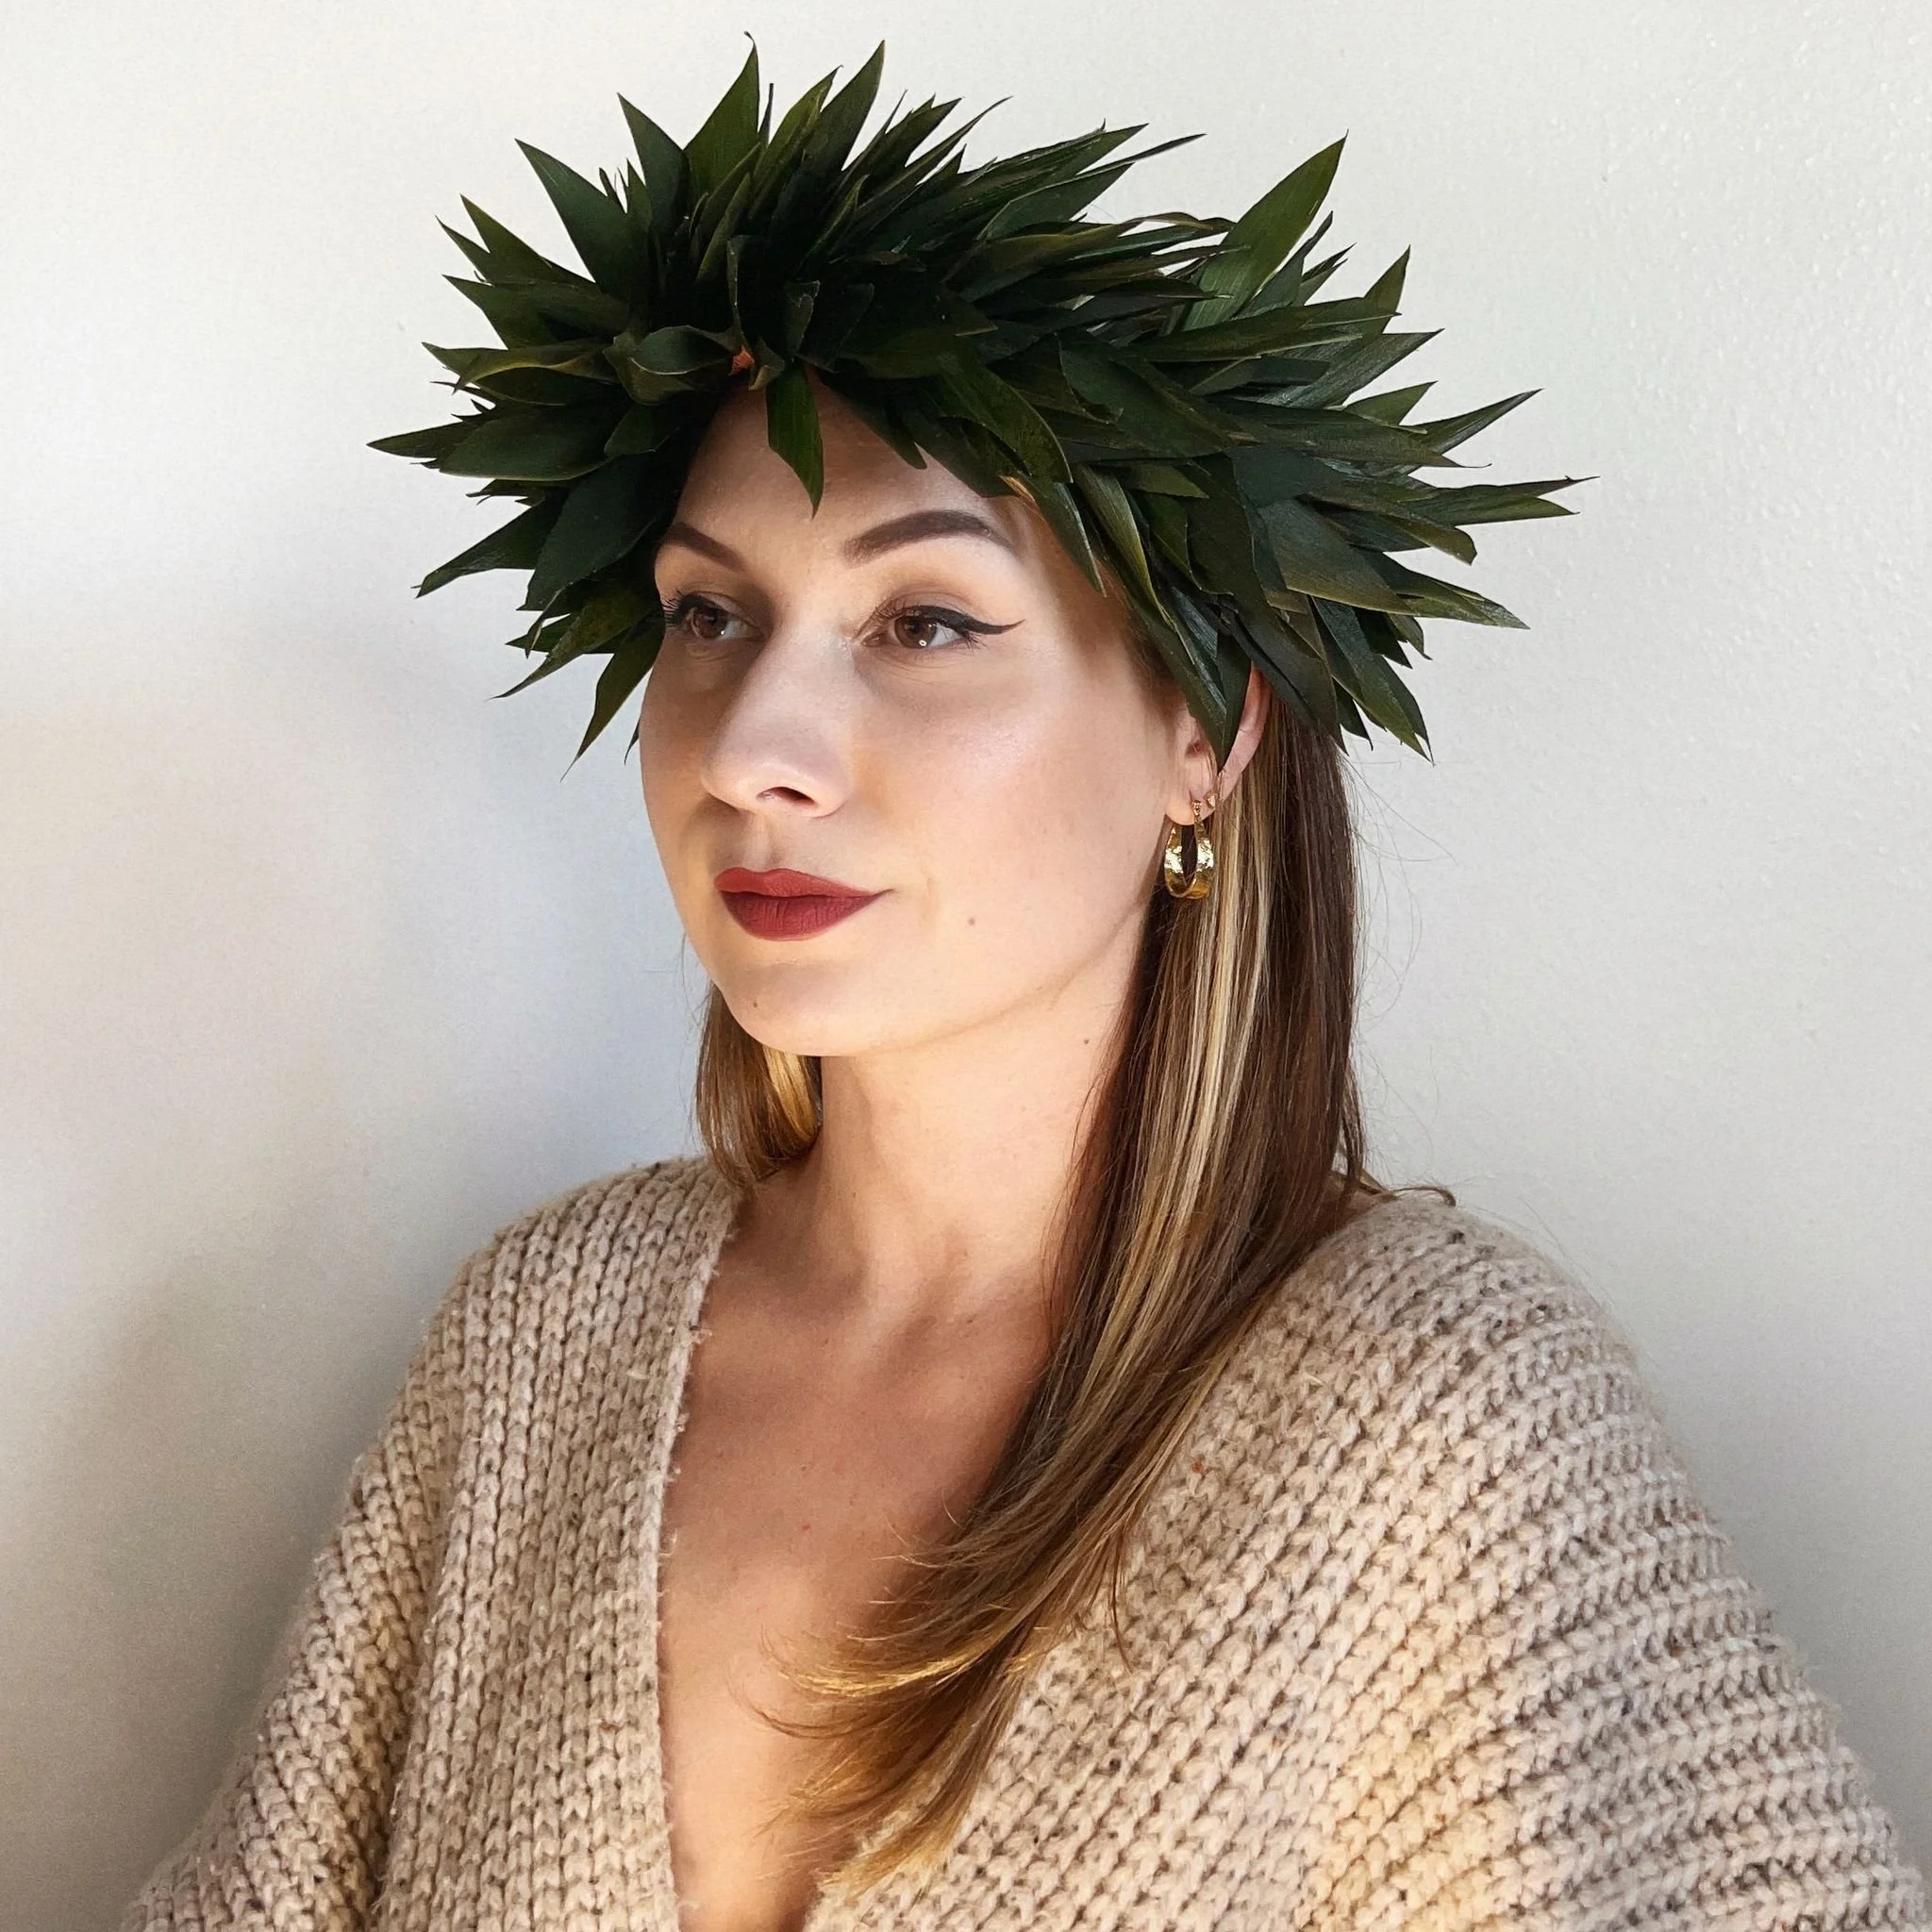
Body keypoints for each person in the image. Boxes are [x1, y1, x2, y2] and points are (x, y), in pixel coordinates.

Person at [124, 48, 1926, 1932]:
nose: (754, 747)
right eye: (708, 614)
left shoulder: (1437, 1420)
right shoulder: (540, 1342)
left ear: (1203, 736)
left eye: (925, 623)